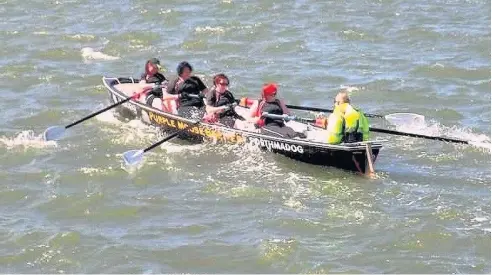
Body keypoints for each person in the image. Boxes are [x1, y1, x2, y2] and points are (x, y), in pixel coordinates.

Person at [237, 83, 304, 138]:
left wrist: (287, 115)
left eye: (275, 93)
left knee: (297, 134)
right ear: (267, 95)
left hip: (281, 125)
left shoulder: (279, 102)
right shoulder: (259, 103)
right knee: (284, 136)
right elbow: (248, 119)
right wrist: (259, 119)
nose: (276, 95)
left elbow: (288, 116)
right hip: (267, 126)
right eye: (274, 93)